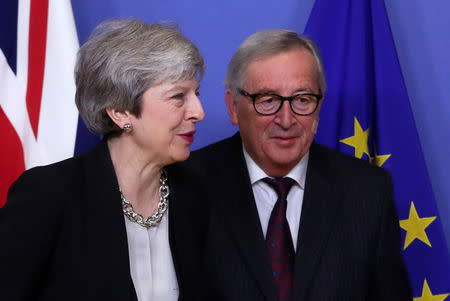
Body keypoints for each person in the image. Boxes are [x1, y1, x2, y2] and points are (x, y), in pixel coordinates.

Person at [185, 29, 413, 300]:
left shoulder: (368, 190)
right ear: (233, 107)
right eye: (267, 100)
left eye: (302, 100)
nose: (286, 119)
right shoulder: (187, 185)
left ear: (319, 106)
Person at [0, 18, 207, 301]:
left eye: (196, 94)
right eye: (178, 97)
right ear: (120, 111)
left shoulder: (199, 193)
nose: (198, 111)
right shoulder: (49, 195)